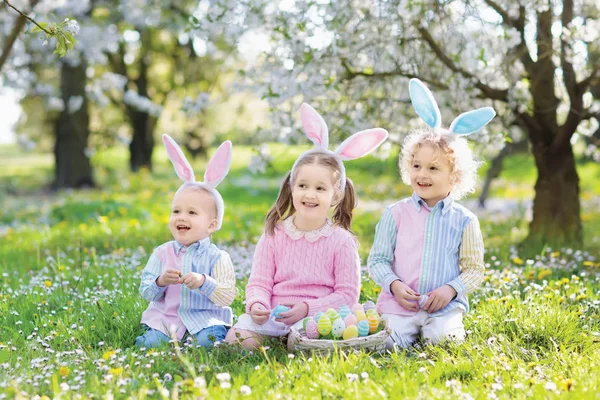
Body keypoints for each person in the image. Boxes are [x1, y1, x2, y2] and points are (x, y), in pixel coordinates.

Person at [225, 103, 388, 349]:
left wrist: (307, 308)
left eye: (320, 188)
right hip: (275, 314)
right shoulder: (275, 234)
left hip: (319, 316)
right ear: (292, 187)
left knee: (302, 342)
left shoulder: (341, 241)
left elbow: (346, 295)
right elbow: (259, 282)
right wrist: (257, 304)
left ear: (336, 196)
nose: (309, 194)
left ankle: (295, 342)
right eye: (303, 186)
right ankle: (277, 339)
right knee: (236, 340)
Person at [368, 78, 495, 349]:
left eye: (433, 168)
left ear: (455, 175)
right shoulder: (395, 213)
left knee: (445, 342)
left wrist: (451, 290)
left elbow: (474, 269)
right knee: (388, 344)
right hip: (400, 304)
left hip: (443, 306)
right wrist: (394, 285)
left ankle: (435, 331)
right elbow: (377, 259)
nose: (422, 174)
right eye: (417, 166)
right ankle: (405, 333)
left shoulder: (465, 220)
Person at [135, 134, 236, 349]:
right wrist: (160, 281)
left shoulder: (218, 257)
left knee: (207, 343)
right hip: (167, 319)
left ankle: (198, 343)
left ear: (211, 225)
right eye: (177, 211)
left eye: (192, 212)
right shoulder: (162, 253)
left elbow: (227, 296)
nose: (182, 217)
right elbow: (145, 290)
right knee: (150, 344)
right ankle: (166, 341)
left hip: (205, 320)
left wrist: (204, 282)